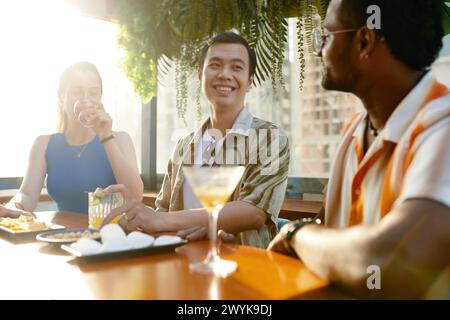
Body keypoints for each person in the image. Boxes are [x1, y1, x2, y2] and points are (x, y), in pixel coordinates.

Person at [267, 0, 450, 299]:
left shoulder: (442, 129)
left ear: (364, 41)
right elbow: (330, 237)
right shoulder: (353, 132)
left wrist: (294, 234)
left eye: (326, 37)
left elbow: (393, 263)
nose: (317, 50)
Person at [102, 32, 290, 248]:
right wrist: (136, 220)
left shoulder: (269, 139)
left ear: (249, 82)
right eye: (215, 65)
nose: (225, 74)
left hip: (244, 269)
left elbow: (254, 211)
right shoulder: (184, 146)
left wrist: (162, 220)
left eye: (237, 67)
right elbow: (163, 210)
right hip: (179, 262)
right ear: (200, 75)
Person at [2, 62, 143, 215]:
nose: (85, 99)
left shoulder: (120, 139)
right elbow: (27, 195)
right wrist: (12, 207)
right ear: (61, 96)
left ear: (100, 98)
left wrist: (105, 135)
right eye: (77, 91)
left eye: (93, 93)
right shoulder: (43, 144)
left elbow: (135, 197)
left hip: (110, 234)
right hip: (63, 235)